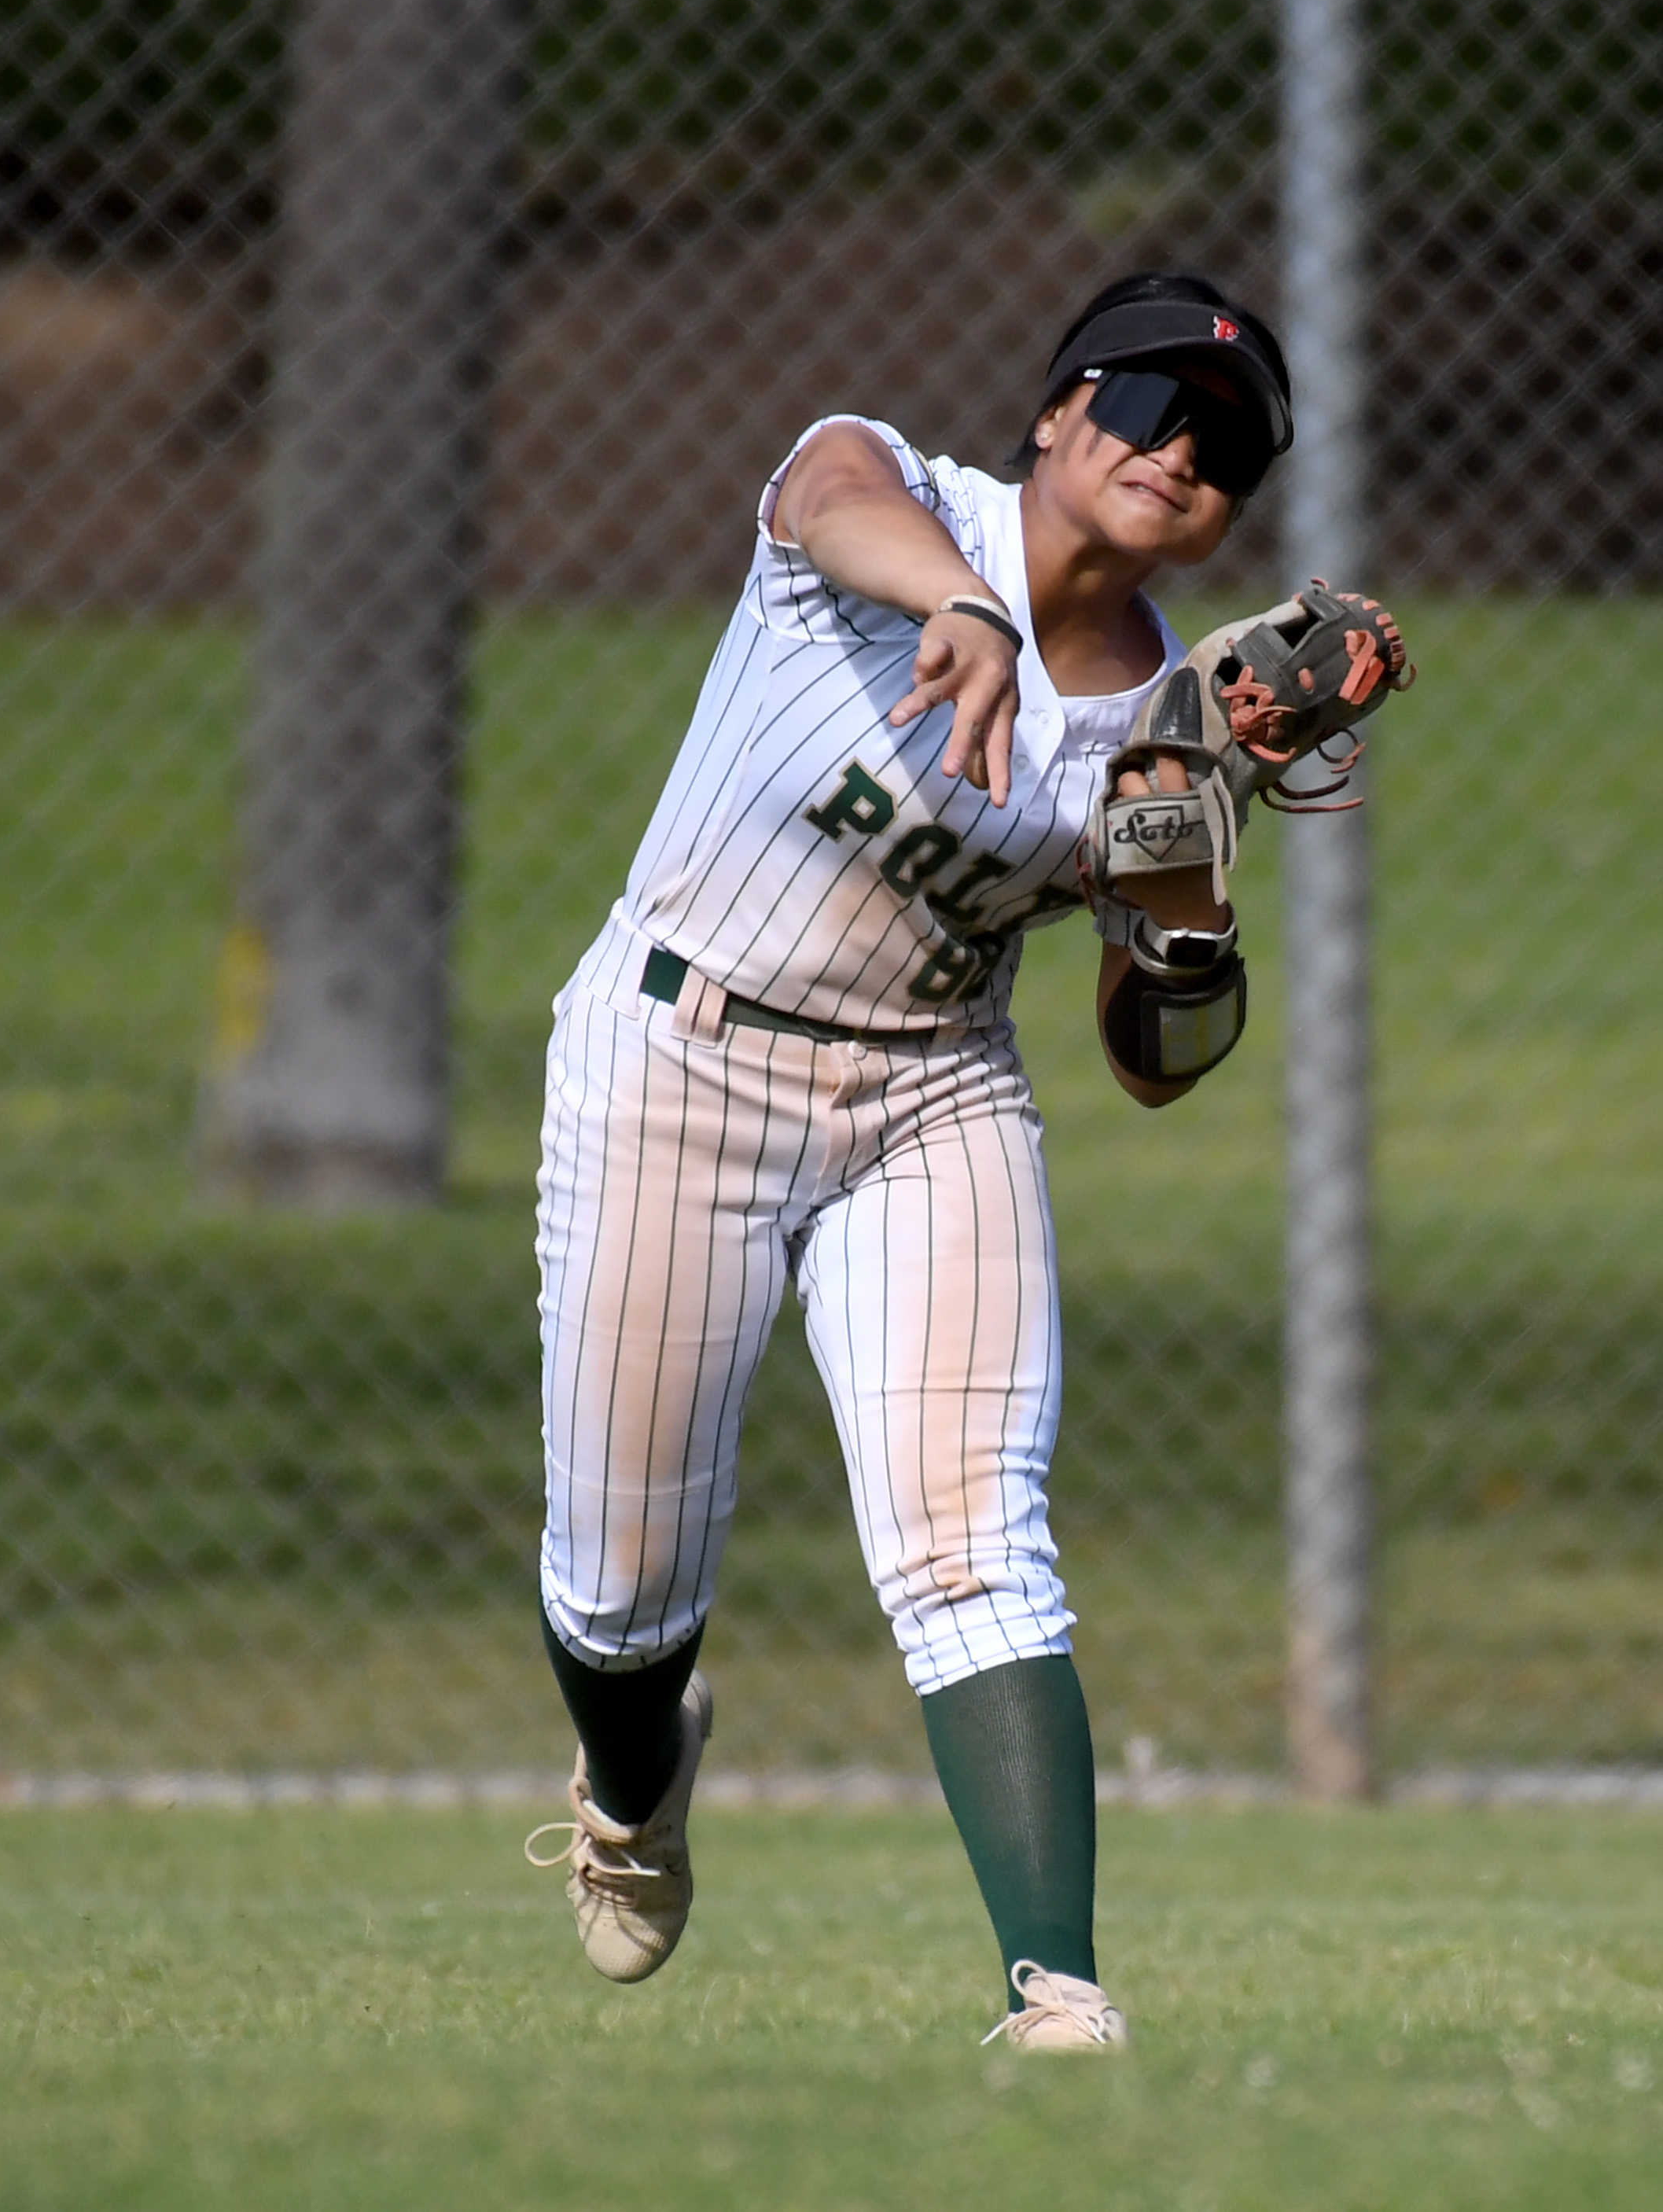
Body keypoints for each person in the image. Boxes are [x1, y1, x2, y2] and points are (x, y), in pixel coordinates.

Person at [524, 271, 1293, 2051]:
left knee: (976, 1546)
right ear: (1053, 410)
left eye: (1225, 443)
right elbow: (823, 498)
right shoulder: (897, 496)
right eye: (1146, 402)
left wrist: (1182, 917)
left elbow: (1153, 1066)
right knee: (621, 1587)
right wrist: (965, 605)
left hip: (933, 1096)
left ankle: (1060, 1996)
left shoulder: (1171, 720)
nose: (1177, 450)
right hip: (680, 1050)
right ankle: (633, 1789)